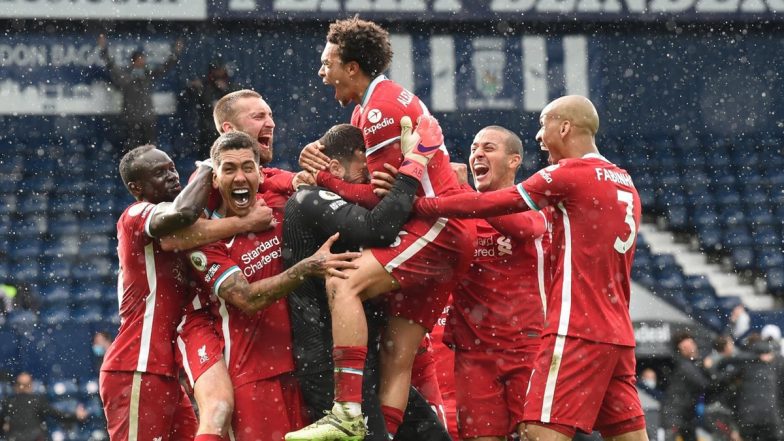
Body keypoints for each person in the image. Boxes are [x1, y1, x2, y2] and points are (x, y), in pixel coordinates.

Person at [413, 95, 647, 441]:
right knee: (626, 431)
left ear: (565, 127)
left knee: (538, 432)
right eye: (474, 147)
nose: (539, 135)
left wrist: (424, 198)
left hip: (564, 330)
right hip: (610, 331)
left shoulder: (564, 178)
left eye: (543, 125)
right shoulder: (623, 180)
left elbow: (519, 218)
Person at [289, 18, 474, 440]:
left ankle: (348, 411)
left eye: (327, 62)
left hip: (435, 227)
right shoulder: (374, 105)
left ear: (352, 67)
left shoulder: (378, 110)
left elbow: (385, 207)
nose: (322, 72)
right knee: (395, 354)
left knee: (344, 282)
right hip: (445, 229)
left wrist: (325, 181)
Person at [182, 131, 361, 441]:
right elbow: (246, 298)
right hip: (252, 376)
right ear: (214, 179)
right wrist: (307, 268)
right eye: (229, 169)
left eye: (248, 167)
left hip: (307, 368)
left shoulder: (283, 205)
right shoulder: (205, 240)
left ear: (260, 173)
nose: (240, 177)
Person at [284, 121, 452, 441]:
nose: (371, 176)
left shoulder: (343, 194)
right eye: (366, 166)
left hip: (363, 360)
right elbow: (379, 228)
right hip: (329, 367)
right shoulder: (308, 198)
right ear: (335, 166)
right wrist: (415, 164)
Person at [102, 143, 269, 441]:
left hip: (165, 370)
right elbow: (184, 212)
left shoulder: (177, 228)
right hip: (137, 365)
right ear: (136, 187)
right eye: (159, 173)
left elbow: (191, 226)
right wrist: (208, 168)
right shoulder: (136, 214)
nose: (171, 176)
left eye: (172, 169)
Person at [449, 125, 551, 441]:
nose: (477, 153)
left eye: (489, 148)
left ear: (514, 161)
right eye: (474, 148)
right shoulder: (460, 213)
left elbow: (522, 228)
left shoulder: (534, 203)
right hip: (474, 354)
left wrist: (463, 193)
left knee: (536, 435)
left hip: (527, 345)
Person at [97, 34, 183, 150]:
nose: (143, 62)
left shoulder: (148, 74)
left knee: (151, 147)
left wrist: (175, 53)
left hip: (147, 117)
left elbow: (165, 68)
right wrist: (103, 49)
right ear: (134, 61)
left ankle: (150, 167)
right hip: (132, 118)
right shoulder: (126, 75)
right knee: (133, 148)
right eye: (140, 60)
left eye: (144, 59)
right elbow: (111, 65)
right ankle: (135, 167)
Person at [0, 372, 87, 441]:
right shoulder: (36, 400)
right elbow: (57, 414)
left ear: (16, 386)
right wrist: (76, 416)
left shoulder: (8, 402)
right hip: (36, 438)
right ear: (31, 385)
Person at [181, 61, 236, 158]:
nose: (219, 73)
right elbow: (191, 97)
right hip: (207, 129)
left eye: (221, 70)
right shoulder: (205, 86)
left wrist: (225, 90)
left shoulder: (230, 86)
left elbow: (236, 101)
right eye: (216, 70)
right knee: (207, 154)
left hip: (225, 128)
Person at [661, 332, 710, 441]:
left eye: (692, 344)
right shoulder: (685, 365)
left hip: (685, 415)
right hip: (675, 414)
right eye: (686, 347)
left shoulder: (692, 364)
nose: (691, 348)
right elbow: (703, 384)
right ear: (681, 350)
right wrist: (708, 368)